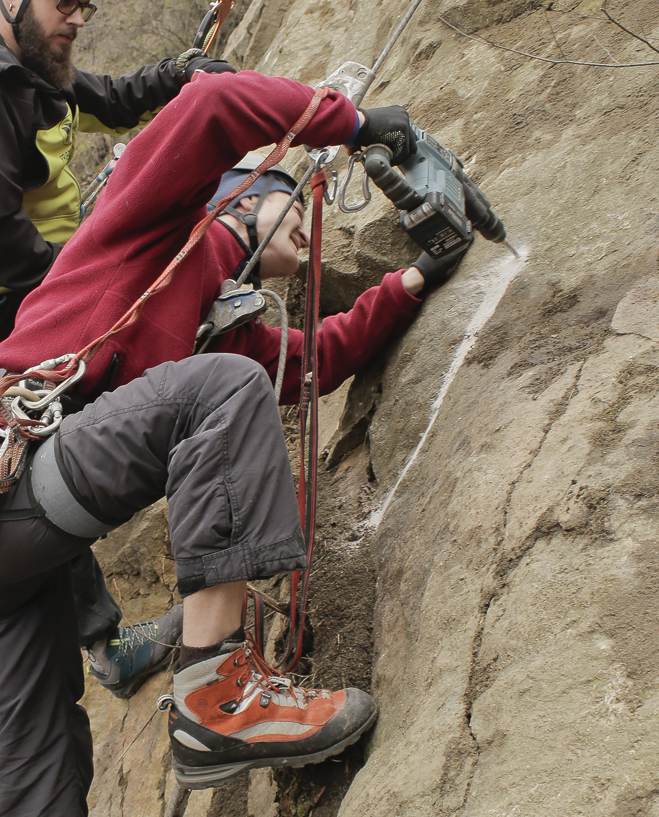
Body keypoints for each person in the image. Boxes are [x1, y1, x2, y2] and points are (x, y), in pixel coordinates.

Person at [0, 70, 468, 814]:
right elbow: (210, 105)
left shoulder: (221, 329)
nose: (306, 218)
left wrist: (411, 279)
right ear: (239, 197)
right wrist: (353, 125)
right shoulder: (158, 225)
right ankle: (218, 698)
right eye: (288, 193)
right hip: (18, 465)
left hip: (23, 555)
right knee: (219, 388)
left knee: (42, 781)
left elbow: (313, 361)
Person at [0, 0, 238, 695]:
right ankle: (105, 645)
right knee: (39, 461)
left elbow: (111, 97)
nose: (77, 20)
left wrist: (181, 74)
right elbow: (9, 246)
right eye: (63, 1)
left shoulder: (40, 77)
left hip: (53, 285)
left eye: (85, 7)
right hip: (24, 307)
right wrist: (110, 278)